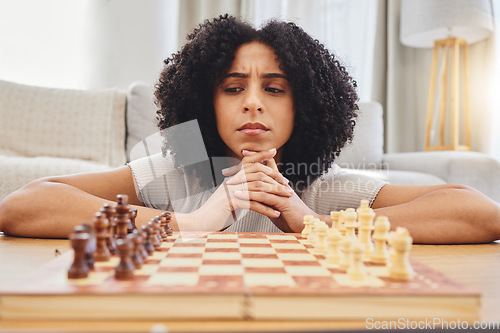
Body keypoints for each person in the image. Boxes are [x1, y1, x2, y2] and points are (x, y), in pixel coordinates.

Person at [0, 15, 499, 244]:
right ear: (205, 101)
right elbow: (24, 205)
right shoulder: (172, 171)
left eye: (276, 89)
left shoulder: (325, 184)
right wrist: (189, 224)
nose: (254, 103)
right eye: (233, 88)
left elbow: (480, 214)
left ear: (305, 107)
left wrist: (314, 223)